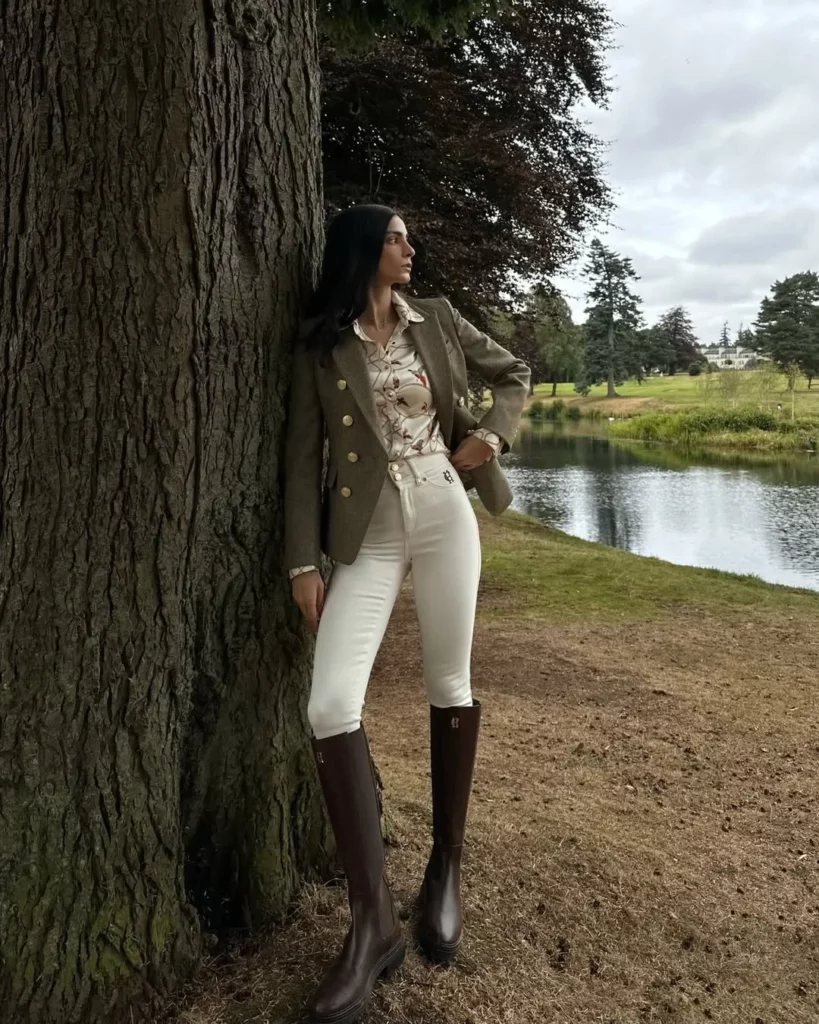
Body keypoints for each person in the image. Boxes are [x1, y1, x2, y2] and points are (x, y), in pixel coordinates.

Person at [284, 204, 530, 1024]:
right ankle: (373, 922)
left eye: (408, 237)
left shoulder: (439, 319)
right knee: (329, 705)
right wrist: (301, 561)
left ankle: (445, 870)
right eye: (394, 238)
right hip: (367, 532)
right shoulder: (322, 345)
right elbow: (299, 458)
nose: (408, 248)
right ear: (364, 251)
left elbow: (513, 374)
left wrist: (490, 439)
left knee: (449, 684)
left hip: (444, 507)